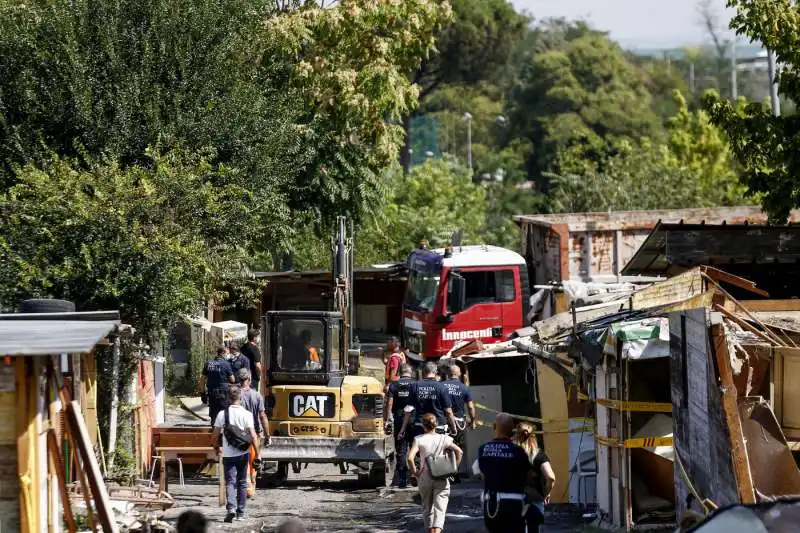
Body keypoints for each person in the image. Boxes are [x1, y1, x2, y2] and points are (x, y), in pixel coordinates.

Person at [474, 413, 532, 533]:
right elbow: (528, 477)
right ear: (512, 430)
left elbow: (482, 474)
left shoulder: (483, 449)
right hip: (514, 502)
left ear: (494, 426)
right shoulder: (519, 451)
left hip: (491, 504)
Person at [407, 413, 463, 533]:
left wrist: (415, 472)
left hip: (424, 476)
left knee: (427, 508)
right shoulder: (445, 438)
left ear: (423, 425)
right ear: (436, 424)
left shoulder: (419, 439)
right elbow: (459, 452)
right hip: (442, 476)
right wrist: (453, 468)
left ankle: (430, 530)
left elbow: (410, 458)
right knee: (440, 508)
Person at [213, 385, 259, 523]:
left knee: (230, 482)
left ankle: (231, 509)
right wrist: (258, 455)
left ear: (228, 397)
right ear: (241, 397)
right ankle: (240, 513)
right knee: (242, 483)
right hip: (243, 453)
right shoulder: (247, 414)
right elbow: (254, 436)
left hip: (228, 455)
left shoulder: (222, 414)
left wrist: (216, 447)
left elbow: (214, 435)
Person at [513, 422, 556, 533]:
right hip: (535, 500)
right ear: (534, 437)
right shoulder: (539, 455)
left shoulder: (510, 454)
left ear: (516, 434)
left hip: (513, 500)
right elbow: (551, 477)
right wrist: (546, 493)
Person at [399, 361, 457, 441]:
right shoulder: (441, 387)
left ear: (423, 372)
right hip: (439, 425)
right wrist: (453, 427)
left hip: (420, 426)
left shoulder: (414, 386)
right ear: (435, 372)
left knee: (420, 451)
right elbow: (448, 411)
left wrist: (402, 429)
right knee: (441, 451)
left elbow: (408, 409)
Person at [237, 368, 270, 497]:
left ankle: (245, 488)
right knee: (253, 460)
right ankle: (251, 487)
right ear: (249, 379)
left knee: (242, 461)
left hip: (238, 434)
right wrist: (267, 435)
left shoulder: (235, 395)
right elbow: (262, 416)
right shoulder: (256, 395)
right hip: (254, 434)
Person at [442, 364, 477, 482]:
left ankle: (444, 473)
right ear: (459, 374)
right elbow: (471, 407)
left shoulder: (441, 386)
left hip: (443, 421)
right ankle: (454, 474)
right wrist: (473, 421)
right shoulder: (464, 387)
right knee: (457, 448)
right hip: (459, 422)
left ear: (448, 374)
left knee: (444, 448)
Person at [384, 363, 414, 488]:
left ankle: (402, 479)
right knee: (415, 447)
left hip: (399, 419)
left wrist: (388, 418)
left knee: (401, 449)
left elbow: (389, 403)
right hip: (413, 418)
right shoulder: (415, 384)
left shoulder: (394, 385)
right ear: (410, 372)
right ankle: (415, 477)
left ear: (399, 372)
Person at [202, 347, 234, 427]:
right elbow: (232, 379)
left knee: (213, 412)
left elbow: (202, 379)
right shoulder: (226, 364)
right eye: (227, 353)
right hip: (223, 393)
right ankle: (223, 432)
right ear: (223, 353)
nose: (228, 355)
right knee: (224, 412)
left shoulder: (209, 363)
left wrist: (202, 393)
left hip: (211, 392)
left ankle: (213, 431)